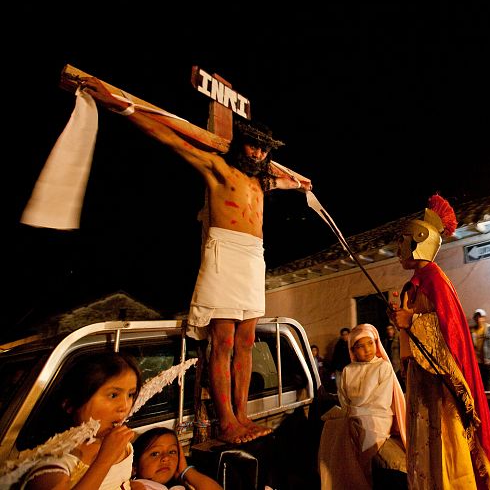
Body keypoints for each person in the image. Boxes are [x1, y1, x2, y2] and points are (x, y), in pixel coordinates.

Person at [80, 77, 310, 444]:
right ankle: (226, 420)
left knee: (247, 339)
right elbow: (170, 135)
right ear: (241, 144)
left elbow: (287, 180)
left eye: (264, 150)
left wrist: (301, 184)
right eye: (253, 146)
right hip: (225, 250)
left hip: (254, 257)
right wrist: (120, 105)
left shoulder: (262, 182)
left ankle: (242, 415)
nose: (257, 154)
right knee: (222, 339)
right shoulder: (217, 167)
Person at [392, 194, 490, 490]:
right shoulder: (420, 280)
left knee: (446, 444)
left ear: (419, 239)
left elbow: (446, 332)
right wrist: (404, 321)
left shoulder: (434, 278)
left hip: (440, 386)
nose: (397, 248)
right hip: (422, 377)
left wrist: (412, 321)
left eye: (403, 240)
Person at [21, 351, 143, 490]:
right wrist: (105, 459)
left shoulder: (122, 445)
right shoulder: (53, 463)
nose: (125, 406)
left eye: (130, 394)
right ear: (71, 404)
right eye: (113, 395)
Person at [318, 323, 407, 490]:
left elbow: (381, 401)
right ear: (352, 349)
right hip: (353, 414)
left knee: (355, 432)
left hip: (378, 416)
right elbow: (344, 399)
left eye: (370, 343)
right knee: (331, 430)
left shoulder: (383, 367)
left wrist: (354, 412)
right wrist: (351, 412)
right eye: (360, 346)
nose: (367, 349)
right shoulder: (348, 371)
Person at [131, 427, 222, 490]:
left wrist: (186, 470)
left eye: (172, 452)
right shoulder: (137, 486)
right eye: (155, 453)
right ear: (134, 466)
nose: (166, 458)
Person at [471, 308, 490, 390]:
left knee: (489, 386)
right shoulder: (471, 331)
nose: (479, 319)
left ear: (484, 318)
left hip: (489, 363)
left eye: (480, 317)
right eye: (477, 317)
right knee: (479, 386)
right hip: (477, 364)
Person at [383, 324, 404, 389]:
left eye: (391, 329)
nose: (389, 331)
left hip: (398, 366)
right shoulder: (385, 341)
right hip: (389, 366)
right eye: (388, 330)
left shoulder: (397, 340)